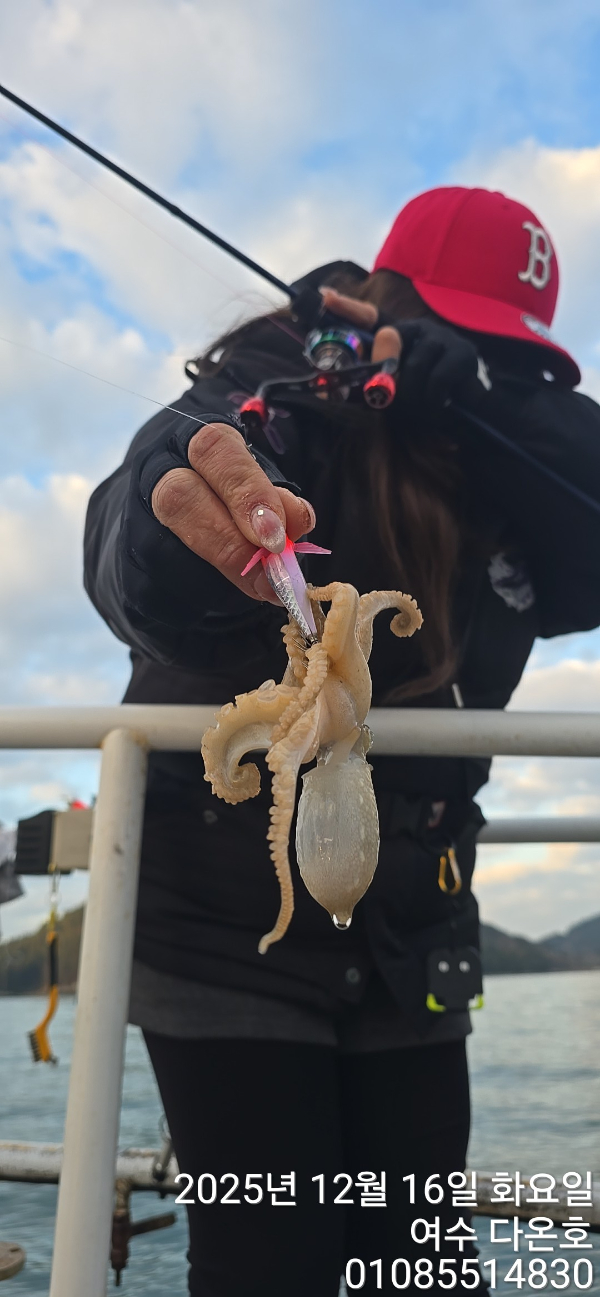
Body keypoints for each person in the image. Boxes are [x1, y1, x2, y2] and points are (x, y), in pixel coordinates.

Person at [84, 185, 600, 1296]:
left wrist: (478, 400)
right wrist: (190, 522)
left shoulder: (503, 464)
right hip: (223, 924)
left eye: (507, 357)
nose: (480, 361)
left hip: (418, 917)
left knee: (421, 1260)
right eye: (457, 332)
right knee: (266, 1261)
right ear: (386, 300)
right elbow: (150, 512)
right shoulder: (287, 388)